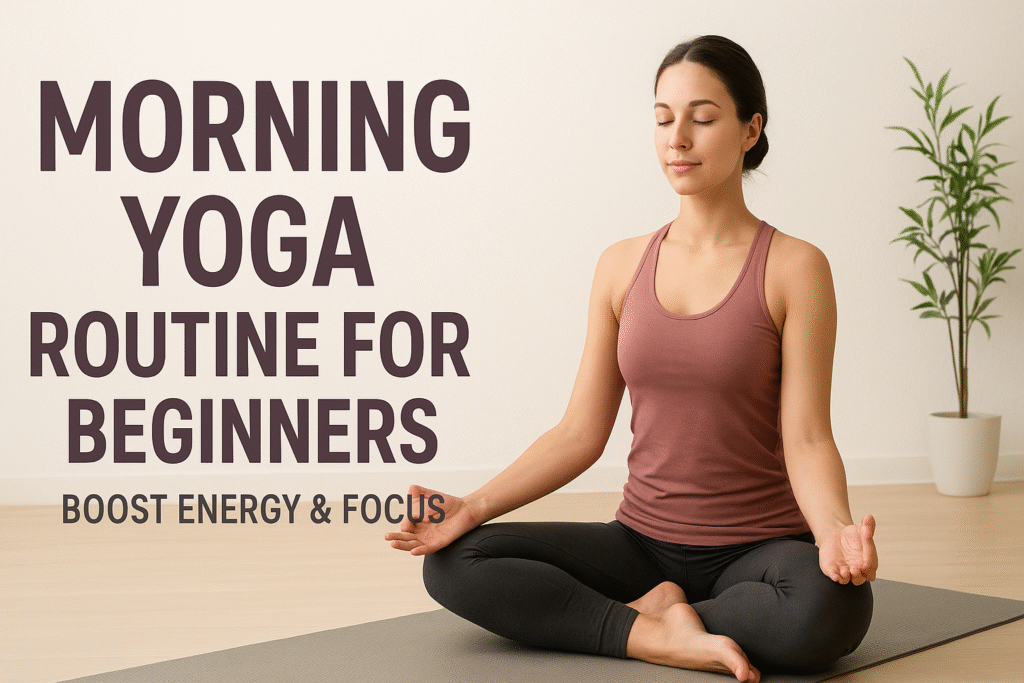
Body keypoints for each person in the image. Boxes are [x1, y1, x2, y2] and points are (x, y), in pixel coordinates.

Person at [385, 35, 877, 683]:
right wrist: (471, 507)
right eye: (663, 118)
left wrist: (833, 532)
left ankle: (658, 617)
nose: (678, 138)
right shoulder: (620, 266)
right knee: (453, 562)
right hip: (639, 543)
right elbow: (579, 432)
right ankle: (654, 633)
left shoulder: (795, 267)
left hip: (759, 550)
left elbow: (808, 436)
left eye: (702, 119)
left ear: (750, 129)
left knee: (833, 608)